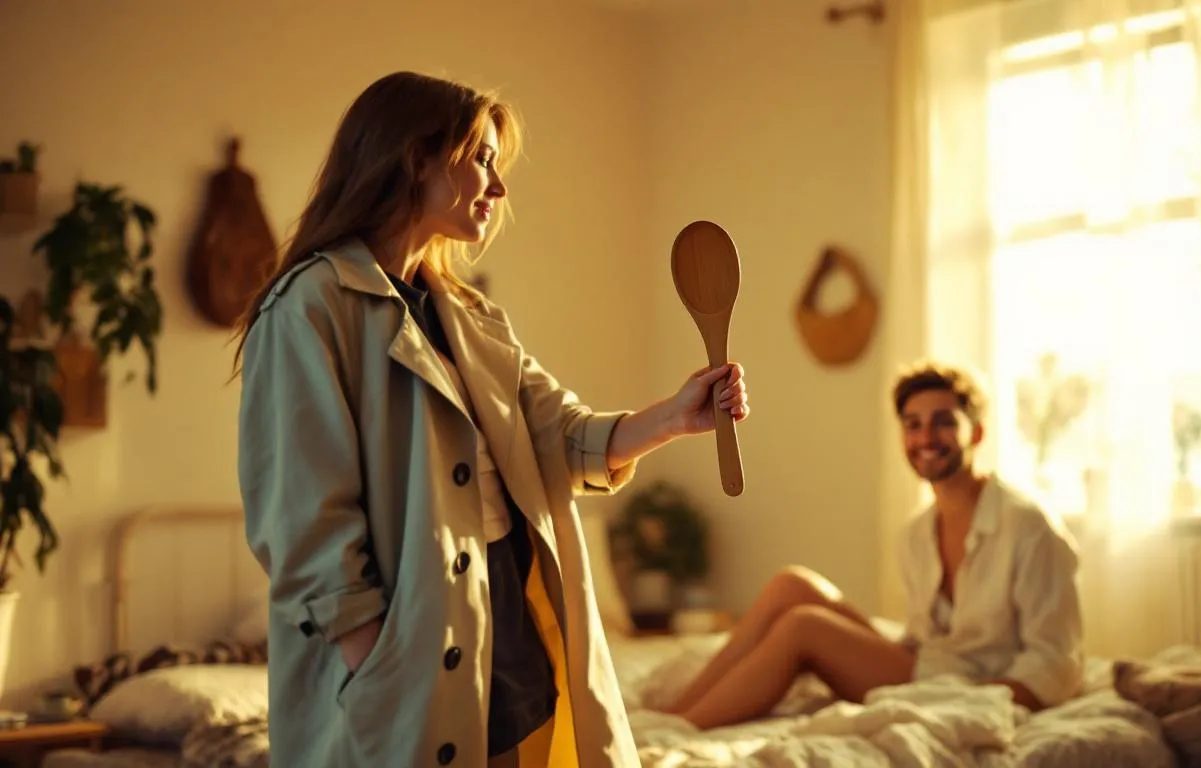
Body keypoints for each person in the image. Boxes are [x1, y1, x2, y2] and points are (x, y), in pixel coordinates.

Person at [235, 71, 750, 768]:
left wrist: (672, 418)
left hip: (508, 622)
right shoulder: (310, 307)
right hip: (400, 655)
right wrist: (378, 666)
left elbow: (561, 437)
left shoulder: (469, 315)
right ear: (417, 156)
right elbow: (307, 522)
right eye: (481, 159)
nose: (497, 186)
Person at [662, 361, 1081, 729]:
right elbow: (922, 641)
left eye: (944, 421)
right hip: (933, 664)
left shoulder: (1028, 526)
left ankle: (683, 727)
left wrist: (975, 699)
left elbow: (1056, 662)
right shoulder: (917, 533)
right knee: (792, 585)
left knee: (803, 626)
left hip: (969, 684)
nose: (926, 437)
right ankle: (673, 713)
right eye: (913, 424)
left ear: (977, 432)